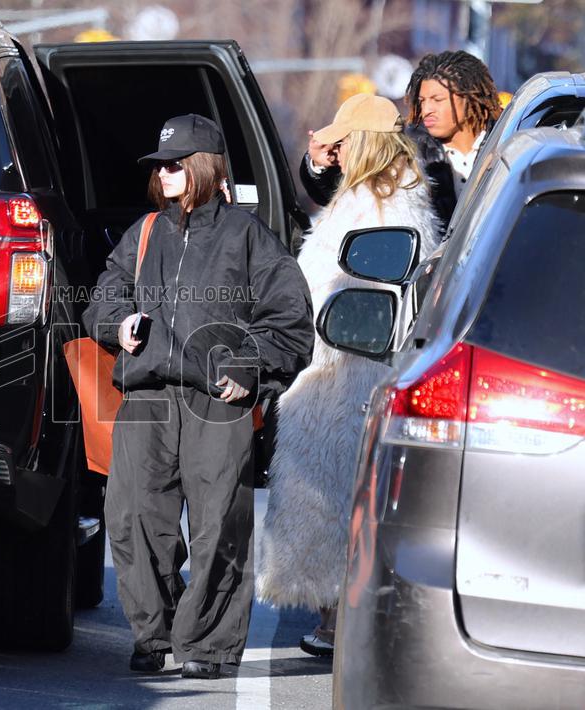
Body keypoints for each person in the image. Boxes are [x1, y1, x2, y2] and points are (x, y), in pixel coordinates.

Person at [83, 114, 314, 679]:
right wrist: (117, 324)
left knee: (219, 528)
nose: (162, 173)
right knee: (132, 517)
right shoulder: (143, 235)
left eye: (174, 164)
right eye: (159, 165)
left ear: (204, 168)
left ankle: (208, 645)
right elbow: (100, 300)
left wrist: (249, 364)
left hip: (217, 402)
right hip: (149, 397)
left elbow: (291, 323)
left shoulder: (248, 237)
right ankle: (153, 632)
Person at [256, 94, 441, 656]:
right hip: (344, 365)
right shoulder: (385, 194)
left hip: (347, 368)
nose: (335, 151)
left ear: (364, 143)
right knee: (343, 494)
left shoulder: (379, 203)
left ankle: (340, 616)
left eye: (344, 141)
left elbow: (361, 286)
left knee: (337, 494)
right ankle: (337, 611)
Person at [300, 50, 502, 234]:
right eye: (422, 101)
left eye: (437, 99)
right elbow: (344, 193)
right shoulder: (409, 144)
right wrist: (319, 167)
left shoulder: (508, 141)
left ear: (469, 97)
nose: (427, 109)